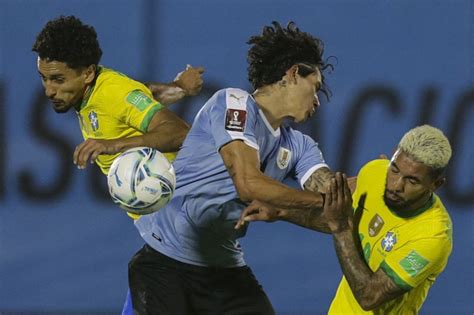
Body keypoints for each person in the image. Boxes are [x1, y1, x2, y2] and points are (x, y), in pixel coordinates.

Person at [127, 21, 336, 314]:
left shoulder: (300, 146)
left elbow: (333, 197)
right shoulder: (234, 103)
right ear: (292, 74)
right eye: (315, 87)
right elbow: (248, 183)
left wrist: (371, 181)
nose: (316, 101)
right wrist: (321, 202)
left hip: (225, 271)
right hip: (166, 265)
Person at [239, 125, 453, 314]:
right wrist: (281, 212)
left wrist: (341, 229)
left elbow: (369, 296)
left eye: (412, 180)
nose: (396, 185)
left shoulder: (432, 236)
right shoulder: (375, 173)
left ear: (436, 185)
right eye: (394, 169)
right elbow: (338, 218)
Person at [32, 15, 204, 176]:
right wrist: (179, 87)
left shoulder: (111, 92)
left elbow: (180, 132)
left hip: (181, 195)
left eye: (58, 80)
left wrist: (113, 145)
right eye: (44, 78)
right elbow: (137, 98)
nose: (49, 90)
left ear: (88, 74)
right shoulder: (93, 93)